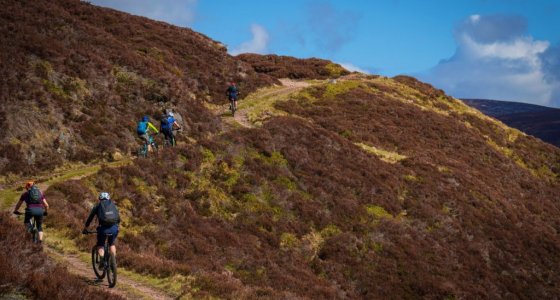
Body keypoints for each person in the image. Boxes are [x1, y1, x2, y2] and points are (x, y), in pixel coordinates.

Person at [82, 192, 120, 267]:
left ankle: (102, 260)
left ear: (100, 199)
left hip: (103, 229)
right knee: (111, 244)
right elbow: (118, 218)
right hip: (114, 228)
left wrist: (86, 227)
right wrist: (116, 226)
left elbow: (90, 217)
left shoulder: (98, 206)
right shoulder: (113, 205)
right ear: (108, 198)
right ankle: (113, 262)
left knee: (100, 244)